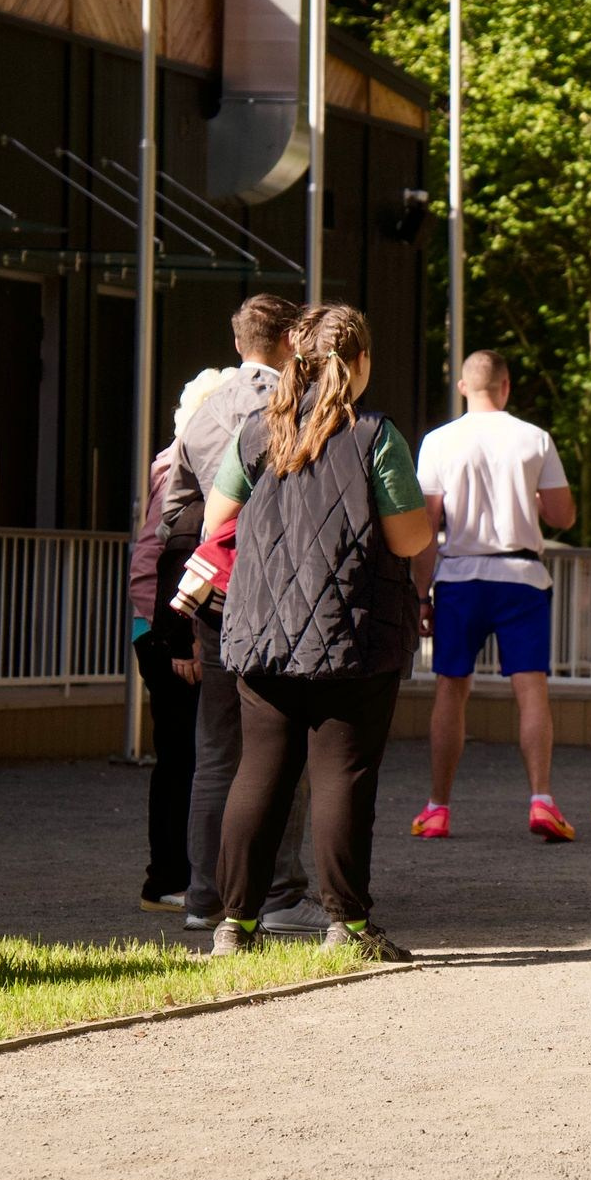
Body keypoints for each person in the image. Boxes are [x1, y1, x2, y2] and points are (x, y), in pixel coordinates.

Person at [204, 303, 432, 963]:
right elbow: (408, 535)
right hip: (352, 633)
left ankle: (234, 926)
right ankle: (349, 927)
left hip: (261, 628)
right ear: (358, 363)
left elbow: (218, 516)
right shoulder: (376, 436)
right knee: (343, 775)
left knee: (261, 771)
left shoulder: (259, 430)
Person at [157, 294, 317, 936]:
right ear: (288, 342)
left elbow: (176, 516)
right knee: (284, 746)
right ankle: (278, 893)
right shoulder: (293, 407)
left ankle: (203, 895)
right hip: (279, 597)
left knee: (216, 750)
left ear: (238, 343)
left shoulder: (202, 412)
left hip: (215, 603)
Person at [410, 350, 578, 841]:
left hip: (459, 576)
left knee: (450, 688)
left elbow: (427, 525)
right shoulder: (534, 438)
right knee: (531, 691)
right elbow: (562, 516)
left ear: (463, 386)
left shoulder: (439, 441)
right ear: (506, 386)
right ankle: (542, 799)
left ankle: (437, 808)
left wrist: (422, 595)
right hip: (522, 576)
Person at [126, 369, 233, 915]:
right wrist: (186, 640)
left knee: (182, 756)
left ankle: (176, 875)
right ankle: (171, 876)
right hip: (171, 627)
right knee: (183, 758)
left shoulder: (170, 459)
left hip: (159, 624)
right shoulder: (184, 467)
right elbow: (178, 554)